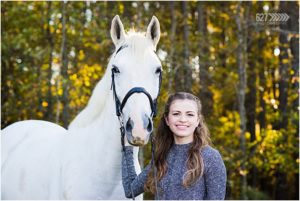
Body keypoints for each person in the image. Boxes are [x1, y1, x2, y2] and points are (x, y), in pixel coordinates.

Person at [122, 92, 226, 200]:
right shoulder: (161, 156)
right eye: (176, 114)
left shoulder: (210, 157)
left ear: (197, 121)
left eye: (189, 114)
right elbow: (131, 190)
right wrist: (127, 148)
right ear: (167, 119)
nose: (183, 119)